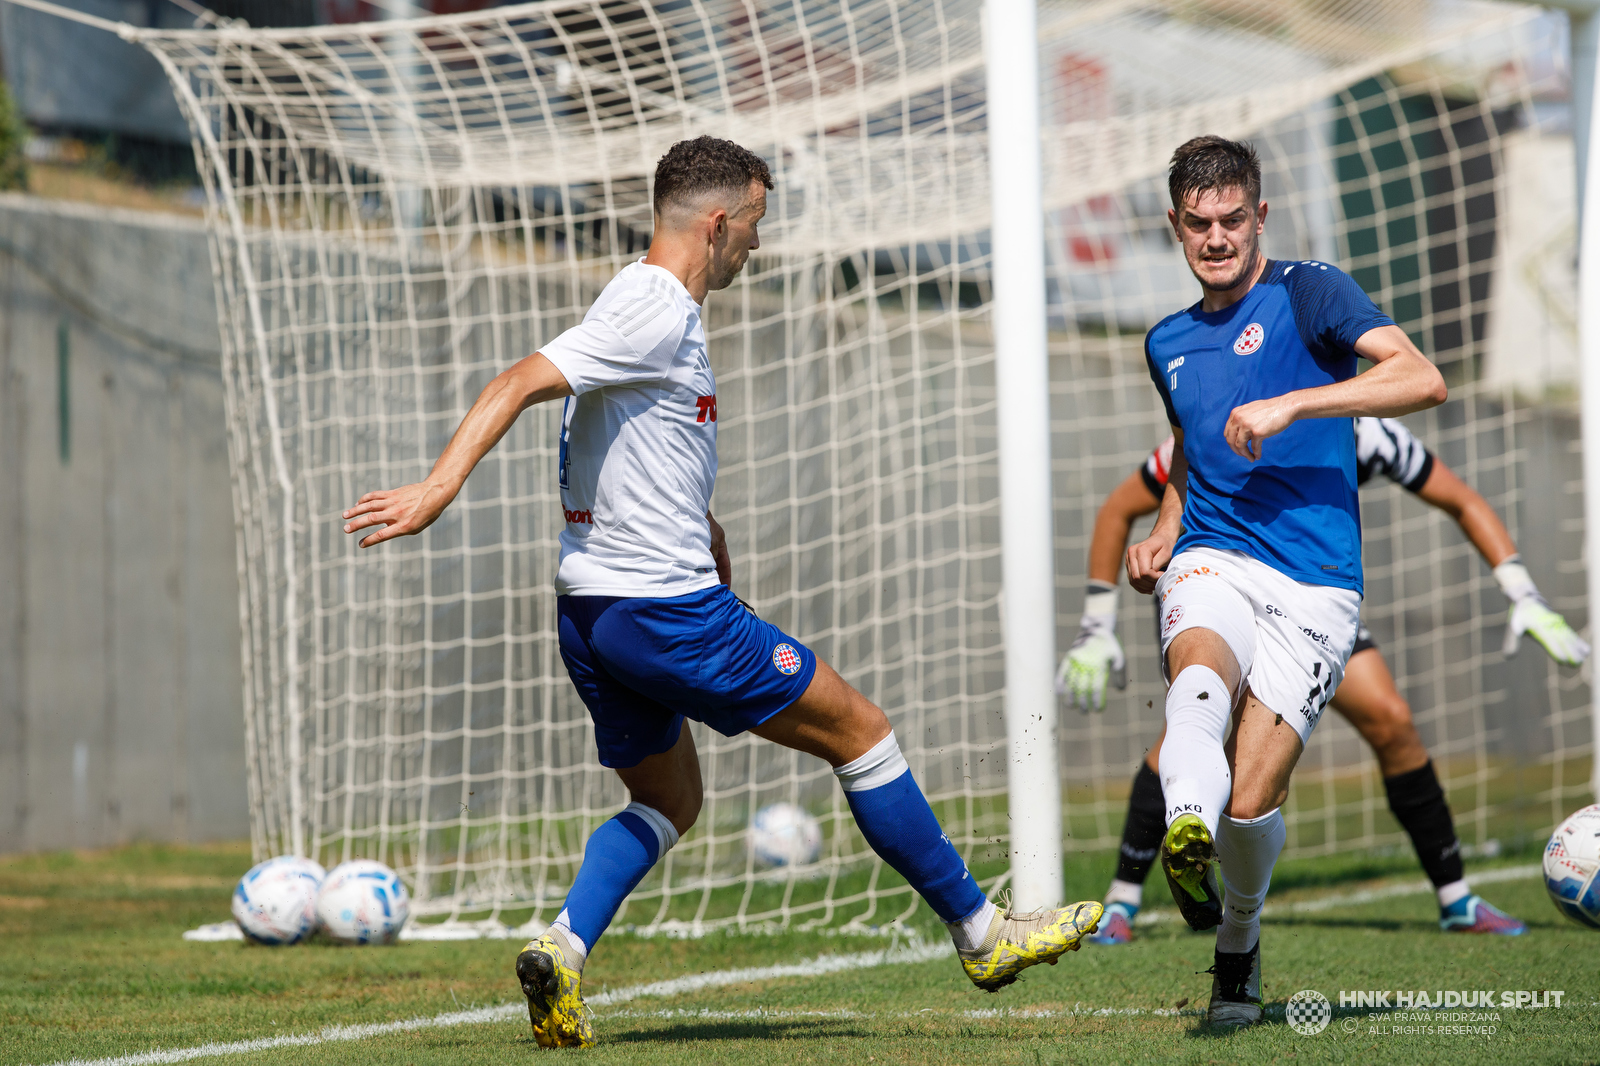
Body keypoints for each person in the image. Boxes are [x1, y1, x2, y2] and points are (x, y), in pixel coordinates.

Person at [340, 136, 1101, 1048]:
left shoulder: (644, 305)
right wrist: (437, 488)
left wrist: (707, 533)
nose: (756, 245)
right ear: (716, 222)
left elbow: (636, 449)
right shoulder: (654, 307)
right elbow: (521, 380)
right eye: (753, 226)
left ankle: (563, 948)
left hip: (591, 614)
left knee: (670, 802)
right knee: (861, 731)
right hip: (663, 613)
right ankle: (982, 934)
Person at [1120, 135, 1448, 1028]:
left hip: (1317, 585)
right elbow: (1191, 457)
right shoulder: (1168, 342)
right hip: (1214, 557)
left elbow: (1422, 378)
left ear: (1260, 215)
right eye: (1199, 224)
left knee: (1255, 798)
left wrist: (1296, 401)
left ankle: (1238, 940)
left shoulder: (1312, 291)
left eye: (1233, 219)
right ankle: (1186, 827)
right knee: (1196, 680)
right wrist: (1161, 529)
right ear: (1176, 227)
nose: (1217, 237)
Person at [1061, 419, 1590, 946]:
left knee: (1392, 721)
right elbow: (1119, 509)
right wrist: (1095, 627)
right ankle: (1123, 901)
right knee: (1193, 733)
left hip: (1315, 605)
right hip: (1227, 596)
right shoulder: (1228, 416)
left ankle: (1456, 900)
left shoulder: (1371, 435)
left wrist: (1523, 592)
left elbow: (1462, 500)